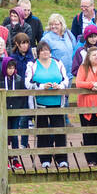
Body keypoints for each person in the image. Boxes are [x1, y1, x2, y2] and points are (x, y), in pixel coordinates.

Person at [26, 40, 69, 171]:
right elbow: (27, 83)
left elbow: (65, 79)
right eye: (42, 50)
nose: (45, 52)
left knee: (60, 131)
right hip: (40, 104)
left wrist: (60, 86)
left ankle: (62, 159)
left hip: (57, 103)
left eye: (47, 50)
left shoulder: (58, 63)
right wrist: (40, 87)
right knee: (42, 132)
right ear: (38, 52)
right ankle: (45, 159)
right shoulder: (32, 65)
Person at [0, 54, 29, 170]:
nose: (10, 71)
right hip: (3, 112)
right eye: (8, 68)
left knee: (14, 134)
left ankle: (15, 158)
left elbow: (23, 95)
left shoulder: (19, 79)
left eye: (12, 68)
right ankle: (5, 158)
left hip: (15, 111)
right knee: (4, 135)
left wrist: (19, 107)